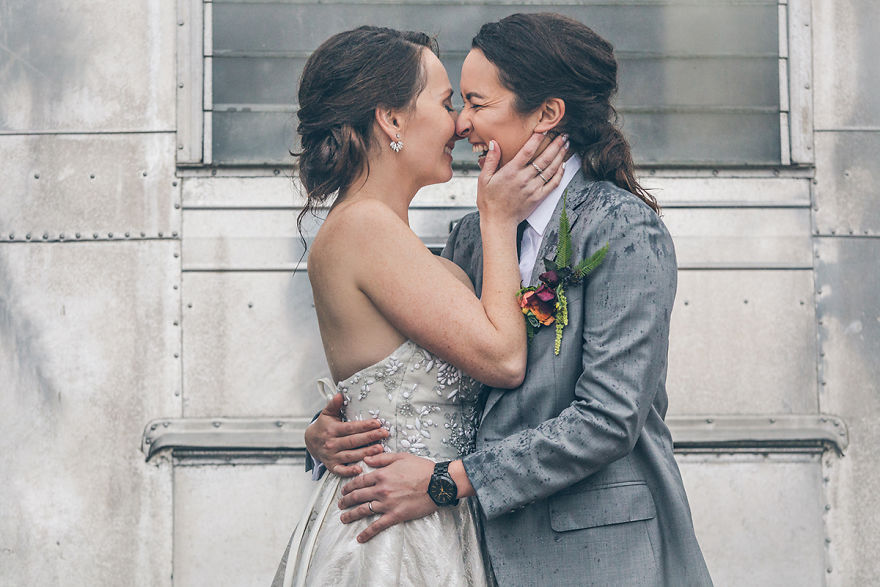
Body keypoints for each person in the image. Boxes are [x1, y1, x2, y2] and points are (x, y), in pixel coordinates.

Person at [307, 13, 713, 586]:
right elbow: (430, 389)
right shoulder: (471, 236)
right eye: (456, 104)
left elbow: (610, 416)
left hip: (599, 555)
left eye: (475, 103)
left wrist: (451, 480)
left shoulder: (621, 228)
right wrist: (334, 437)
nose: (462, 124)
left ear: (547, 113)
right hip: (477, 553)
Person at [271, 25, 569, 586]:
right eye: (445, 102)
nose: (461, 123)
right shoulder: (364, 227)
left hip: (434, 519)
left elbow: (387, 379)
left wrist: (323, 428)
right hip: (392, 539)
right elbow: (504, 360)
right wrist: (499, 219)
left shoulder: (421, 253)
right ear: (392, 119)